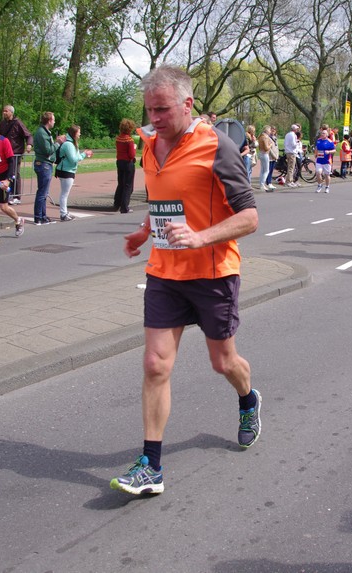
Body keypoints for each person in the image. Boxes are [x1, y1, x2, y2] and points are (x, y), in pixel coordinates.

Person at [111, 65, 260, 496]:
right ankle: (151, 466)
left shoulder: (217, 146)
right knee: (155, 364)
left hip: (213, 273)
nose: (154, 118)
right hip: (164, 273)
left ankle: (248, 399)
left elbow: (250, 217)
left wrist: (200, 237)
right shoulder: (149, 146)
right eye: (149, 109)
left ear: (187, 104)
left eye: (162, 109)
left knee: (223, 363)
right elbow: (163, 199)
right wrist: (144, 230)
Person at [56, 125, 93, 221]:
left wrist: (83, 154)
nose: (80, 134)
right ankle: (63, 214)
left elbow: (75, 157)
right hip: (66, 171)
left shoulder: (71, 143)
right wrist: (84, 154)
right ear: (74, 133)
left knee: (64, 193)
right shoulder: (69, 145)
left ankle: (64, 212)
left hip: (67, 170)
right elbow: (73, 159)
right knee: (64, 194)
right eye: (79, 132)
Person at [32, 112, 63, 225]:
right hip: (43, 164)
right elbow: (48, 150)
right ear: (49, 121)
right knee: (42, 192)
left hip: (45, 164)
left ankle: (43, 216)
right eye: (53, 120)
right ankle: (38, 217)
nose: (54, 122)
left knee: (44, 192)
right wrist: (58, 143)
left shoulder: (44, 132)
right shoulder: (42, 133)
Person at [0, 105, 32, 205]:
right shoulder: (2, 123)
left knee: (14, 174)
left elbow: (28, 135)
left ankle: (16, 196)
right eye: (3, 111)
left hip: (15, 152)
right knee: (6, 174)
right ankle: (8, 194)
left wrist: (29, 144)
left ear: (11, 112)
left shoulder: (18, 123)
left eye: (6, 111)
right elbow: (0, 136)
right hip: (5, 153)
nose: (4, 113)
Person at [114, 118, 138, 213]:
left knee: (120, 183)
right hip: (128, 163)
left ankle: (117, 203)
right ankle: (124, 207)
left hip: (119, 161)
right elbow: (131, 155)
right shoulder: (129, 140)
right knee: (128, 185)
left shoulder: (118, 138)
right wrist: (134, 148)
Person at [314, 128, 335, 193]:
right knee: (318, 173)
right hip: (319, 160)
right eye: (322, 133)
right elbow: (316, 148)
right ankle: (319, 185)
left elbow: (334, 150)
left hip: (327, 161)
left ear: (327, 135)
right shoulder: (318, 140)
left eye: (324, 133)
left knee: (327, 175)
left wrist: (329, 152)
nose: (322, 134)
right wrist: (315, 153)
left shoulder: (330, 142)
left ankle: (327, 187)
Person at [257, 125, 275, 191]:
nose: (270, 131)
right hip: (264, 154)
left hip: (261, 153)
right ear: (267, 130)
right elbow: (266, 148)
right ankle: (262, 184)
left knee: (262, 170)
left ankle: (261, 184)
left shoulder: (261, 136)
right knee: (266, 170)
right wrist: (270, 145)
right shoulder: (265, 137)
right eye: (269, 130)